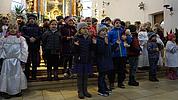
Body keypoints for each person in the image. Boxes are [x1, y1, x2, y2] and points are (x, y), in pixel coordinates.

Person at [0, 23, 28, 99]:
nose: (13, 30)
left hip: (17, 61)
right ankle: (6, 91)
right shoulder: (4, 38)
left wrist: (23, 60)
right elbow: (1, 48)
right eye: (11, 28)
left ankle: (16, 91)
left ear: (17, 29)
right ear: (8, 29)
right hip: (7, 61)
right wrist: (2, 57)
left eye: (15, 28)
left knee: (16, 76)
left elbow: (24, 49)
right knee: (7, 76)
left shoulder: (21, 39)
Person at [73, 22, 95, 99]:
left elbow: (91, 49)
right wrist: (75, 46)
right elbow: (73, 51)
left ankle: (85, 90)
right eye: (83, 28)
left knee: (86, 76)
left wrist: (94, 44)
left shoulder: (89, 38)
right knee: (80, 76)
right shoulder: (76, 38)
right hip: (79, 60)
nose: (86, 30)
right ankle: (80, 91)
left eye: (86, 28)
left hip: (87, 60)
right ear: (79, 30)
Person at [108, 18, 132, 89]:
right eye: (116, 23)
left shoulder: (123, 31)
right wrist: (114, 45)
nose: (118, 24)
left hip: (123, 54)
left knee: (122, 70)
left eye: (119, 23)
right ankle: (111, 83)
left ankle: (120, 82)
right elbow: (108, 42)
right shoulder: (111, 32)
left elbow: (129, 41)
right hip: (115, 54)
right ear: (114, 24)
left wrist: (127, 36)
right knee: (113, 70)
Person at [22, 14, 41, 80]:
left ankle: (34, 76)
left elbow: (40, 35)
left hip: (35, 47)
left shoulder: (38, 27)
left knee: (34, 62)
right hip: (27, 46)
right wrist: (29, 38)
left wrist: (35, 38)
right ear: (28, 20)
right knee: (27, 62)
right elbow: (22, 35)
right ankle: (26, 76)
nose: (32, 20)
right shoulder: (24, 27)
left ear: (35, 20)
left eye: (33, 19)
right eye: (30, 19)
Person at [96, 25, 113, 96]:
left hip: (107, 60)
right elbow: (100, 51)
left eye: (106, 31)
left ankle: (104, 88)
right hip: (101, 61)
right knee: (102, 76)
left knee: (104, 75)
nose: (104, 32)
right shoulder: (98, 40)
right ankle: (101, 90)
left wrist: (115, 45)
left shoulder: (105, 39)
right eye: (103, 31)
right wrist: (106, 44)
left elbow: (109, 50)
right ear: (99, 32)